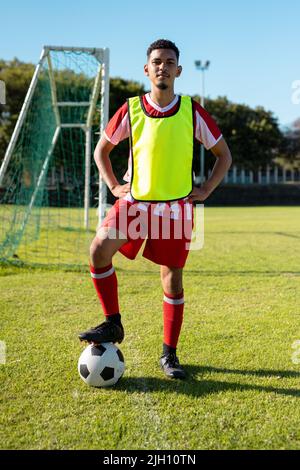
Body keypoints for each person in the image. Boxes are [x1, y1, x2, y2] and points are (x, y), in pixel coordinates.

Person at [79, 39, 232, 379]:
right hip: (135, 202)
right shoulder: (131, 108)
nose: (162, 66)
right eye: (156, 61)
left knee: (172, 280)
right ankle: (113, 323)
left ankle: (170, 355)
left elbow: (224, 155)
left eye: (169, 61)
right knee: (98, 250)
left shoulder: (192, 110)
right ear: (146, 69)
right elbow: (101, 151)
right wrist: (113, 186)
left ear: (178, 70)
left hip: (176, 208)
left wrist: (206, 188)